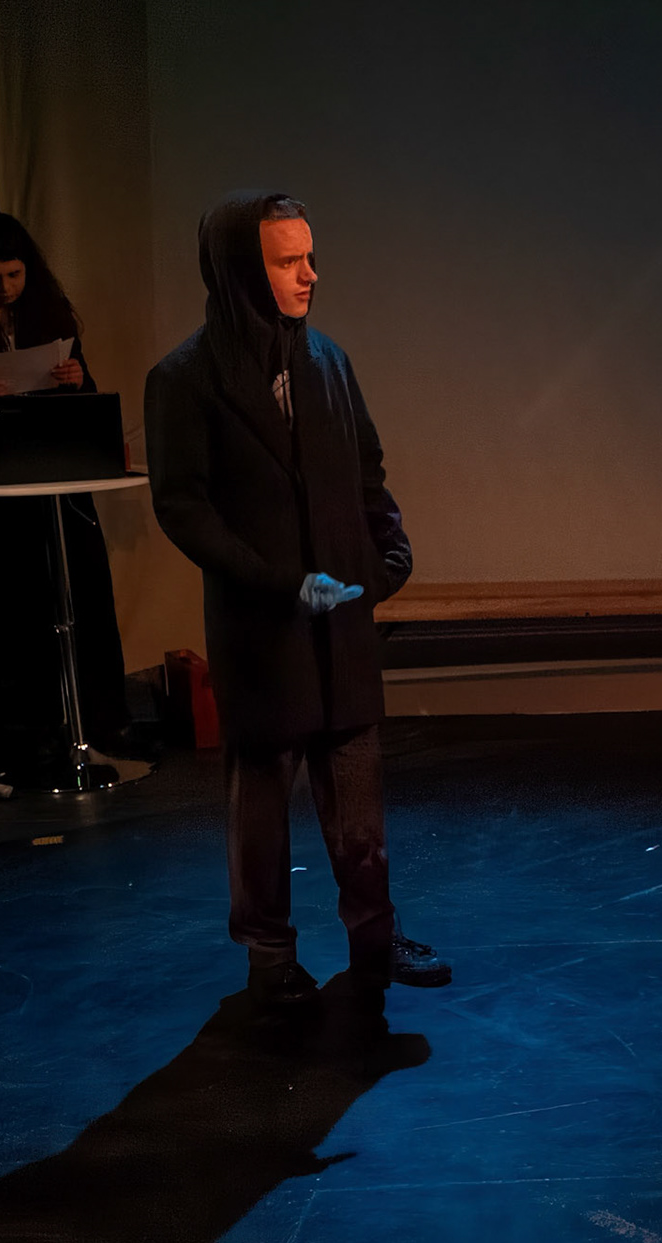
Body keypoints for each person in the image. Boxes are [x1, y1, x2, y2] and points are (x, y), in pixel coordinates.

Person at [145, 192, 448, 1008]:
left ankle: (375, 938)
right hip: (263, 627)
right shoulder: (185, 379)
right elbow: (183, 506)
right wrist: (275, 582)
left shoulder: (328, 363)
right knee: (261, 806)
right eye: (288, 260)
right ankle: (270, 959)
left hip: (338, 620)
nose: (310, 274)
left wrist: (389, 554)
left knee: (359, 801)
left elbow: (366, 469)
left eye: (309, 256)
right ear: (243, 271)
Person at [0, 212, 132, 771]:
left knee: (81, 592)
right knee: (19, 607)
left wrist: (76, 380)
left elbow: (88, 398)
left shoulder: (50, 316)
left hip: (59, 481)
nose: (5, 288)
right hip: (7, 494)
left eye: (14, 275)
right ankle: (31, 732)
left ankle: (96, 722)